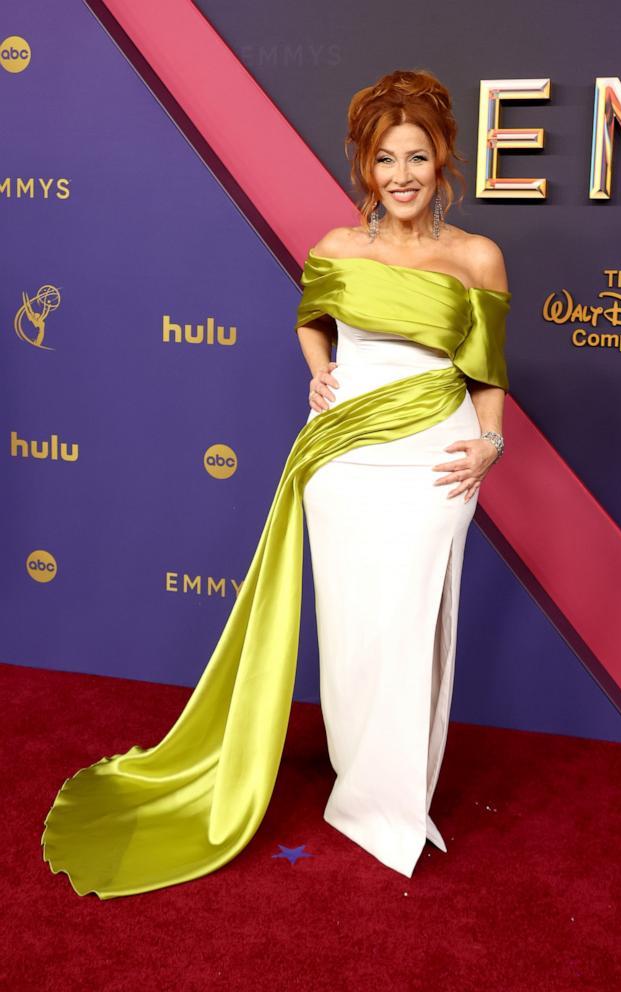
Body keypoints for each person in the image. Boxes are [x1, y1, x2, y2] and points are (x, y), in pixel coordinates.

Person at [40, 68, 511, 899]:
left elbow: (486, 373)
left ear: (443, 163)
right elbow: (310, 320)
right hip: (340, 457)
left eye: (418, 157)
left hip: (435, 456)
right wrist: (322, 372)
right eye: (384, 158)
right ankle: (355, 786)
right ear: (365, 167)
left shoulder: (477, 257)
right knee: (354, 630)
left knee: (410, 624)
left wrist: (492, 441)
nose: (401, 174)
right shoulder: (335, 248)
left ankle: (392, 801)